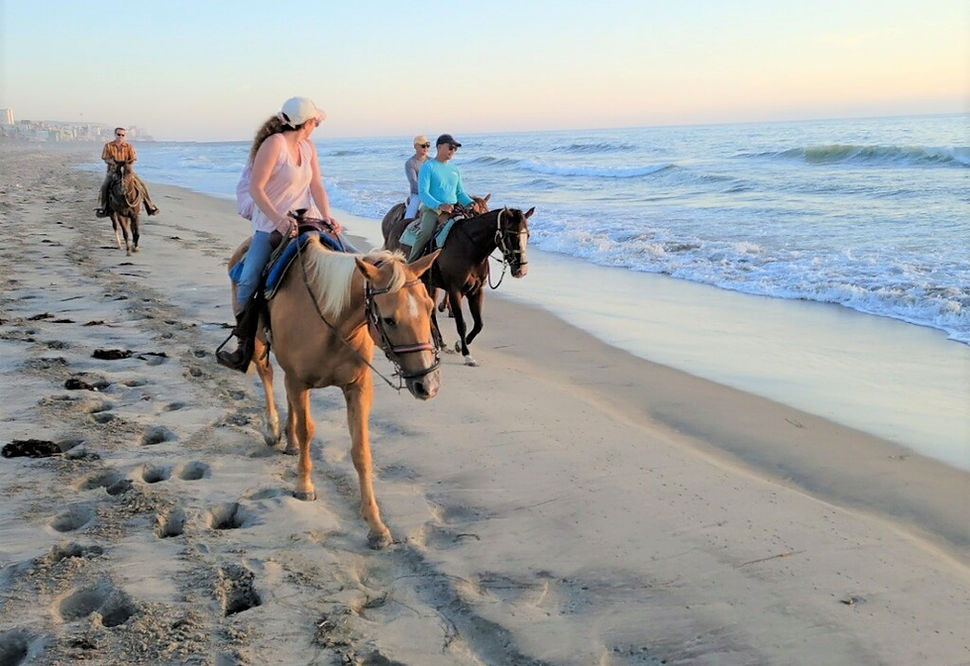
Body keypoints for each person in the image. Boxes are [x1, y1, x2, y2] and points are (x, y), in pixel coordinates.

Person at [217, 96, 341, 371]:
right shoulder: (274, 145)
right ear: (307, 123)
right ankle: (244, 345)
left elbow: (317, 185)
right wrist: (279, 220)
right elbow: (256, 189)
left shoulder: (308, 148)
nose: (315, 127)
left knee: (345, 259)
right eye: (315, 123)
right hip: (271, 226)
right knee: (248, 281)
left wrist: (327, 215)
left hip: (307, 220)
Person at [409, 133, 474, 262]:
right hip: (432, 209)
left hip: (453, 209)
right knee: (425, 234)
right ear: (439, 147)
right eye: (450, 147)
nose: (453, 150)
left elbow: (460, 193)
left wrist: (470, 203)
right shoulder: (428, 167)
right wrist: (439, 205)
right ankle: (411, 264)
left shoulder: (454, 169)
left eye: (455, 148)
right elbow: (423, 193)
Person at [96, 127, 160, 217]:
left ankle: (149, 206)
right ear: (115, 135)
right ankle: (104, 208)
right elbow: (105, 158)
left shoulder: (129, 147)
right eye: (118, 134)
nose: (120, 136)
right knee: (104, 186)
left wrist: (127, 165)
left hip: (127, 171)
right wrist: (113, 162)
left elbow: (133, 159)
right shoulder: (108, 146)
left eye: (122, 135)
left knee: (141, 185)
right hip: (113, 171)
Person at [404, 135, 431, 219]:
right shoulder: (410, 163)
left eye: (428, 145)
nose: (426, 148)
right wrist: (425, 192)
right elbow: (413, 181)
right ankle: (404, 228)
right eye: (423, 146)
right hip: (418, 194)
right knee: (410, 215)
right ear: (416, 146)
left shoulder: (432, 161)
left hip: (433, 193)